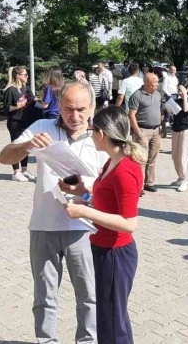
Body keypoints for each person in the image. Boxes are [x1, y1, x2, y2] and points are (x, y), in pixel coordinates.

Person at [0, 82, 105, 344]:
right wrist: (28, 146)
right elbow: (4, 157)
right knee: (44, 296)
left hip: (84, 227)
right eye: (68, 108)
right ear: (59, 105)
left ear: (92, 108)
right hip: (44, 225)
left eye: (81, 109)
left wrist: (86, 190)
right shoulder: (42, 127)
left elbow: (113, 186)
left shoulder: (101, 137)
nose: (74, 116)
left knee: (89, 296)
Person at [60, 106, 144, 344]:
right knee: (108, 318)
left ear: (103, 134)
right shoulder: (111, 163)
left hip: (115, 254)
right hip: (103, 248)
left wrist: (84, 211)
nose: (90, 134)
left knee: (113, 324)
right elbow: (108, 201)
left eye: (92, 130)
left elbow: (129, 223)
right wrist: (83, 193)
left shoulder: (125, 170)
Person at [128, 73, 164, 194]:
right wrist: (138, 132)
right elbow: (131, 115)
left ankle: (149, 183)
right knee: (140, 159)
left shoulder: (158, 94)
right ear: (147, 83)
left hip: (156, 130)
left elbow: (160, 111)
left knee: (152, 158)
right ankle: (139, 186)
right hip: (142, 130)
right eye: (155, 82)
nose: (157, 84)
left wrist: (162, 127)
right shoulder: (137, 95)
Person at [3, 66, 36, 182]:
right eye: (25, 75)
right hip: (14, 121)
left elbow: (32, 100)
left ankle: (24, 170)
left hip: (25, 120)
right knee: (16, 146)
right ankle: (16, 172)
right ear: (18, 76)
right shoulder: (10, 90)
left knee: (26, 145)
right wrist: (17, 106)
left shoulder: (26, 88)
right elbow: (6, 108)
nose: (27, 76)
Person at [170, 85, 188, 192]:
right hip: (176, 129)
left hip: (186, 129)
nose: (179, 92)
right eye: (178, 90)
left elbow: (186, 110)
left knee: (183, 155)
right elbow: (174, 113)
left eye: (181, 90)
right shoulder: (177, 101)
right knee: (175, 156)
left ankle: (184, 180)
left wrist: (185, 96)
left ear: (187, 89)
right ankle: (180, 177)